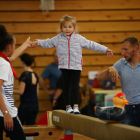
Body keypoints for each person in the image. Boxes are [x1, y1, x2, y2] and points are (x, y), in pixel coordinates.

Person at [32, 14, 113, 114]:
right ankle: (68, 107)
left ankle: (75, 107)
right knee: (66, 86)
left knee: (74, 86)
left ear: (74, 28)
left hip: (76, 66)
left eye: (69, 27)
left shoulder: (79, 38)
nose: (67, 29)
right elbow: (47, 42)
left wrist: (105, 49)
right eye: (65, 26)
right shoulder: (58, 38)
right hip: (64, 66)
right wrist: (37, 42)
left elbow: (92, 45)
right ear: (61, 28)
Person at [97, 36, 140, 127]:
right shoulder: (121, 63)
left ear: (136, 48)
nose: (122, 53)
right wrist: (109, 69)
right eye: (122, 49)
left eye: (126, 49)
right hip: (129, 110)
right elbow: (100, 78)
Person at [0, 24, 32, 140]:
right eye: (14, 45)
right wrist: (6, 113)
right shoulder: (3, 64)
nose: (15, 48)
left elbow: (11, 56)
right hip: (5, 112)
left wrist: (25, 45)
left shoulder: (2, 59)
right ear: (9, 47)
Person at [13, 53, 39, 125]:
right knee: (30, 129)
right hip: (35, 105)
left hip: (25, 106)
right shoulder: (35, 74)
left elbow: (21, 91)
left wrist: (9, 90)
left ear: (23, 62)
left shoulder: (25, 75)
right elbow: (37, 93)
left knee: (17, 126)